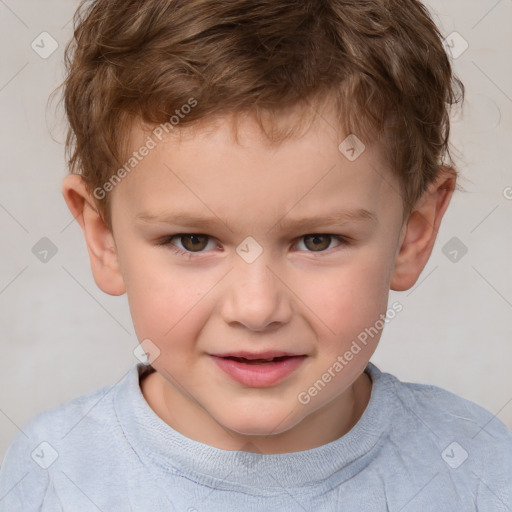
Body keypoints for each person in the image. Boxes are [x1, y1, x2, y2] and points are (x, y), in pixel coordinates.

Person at [1, 0, 511, 510]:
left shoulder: (479, 469)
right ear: (104, 238)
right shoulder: (51, 477)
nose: (256, 308)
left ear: (411, 235)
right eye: (193, 241)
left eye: (317, 241)